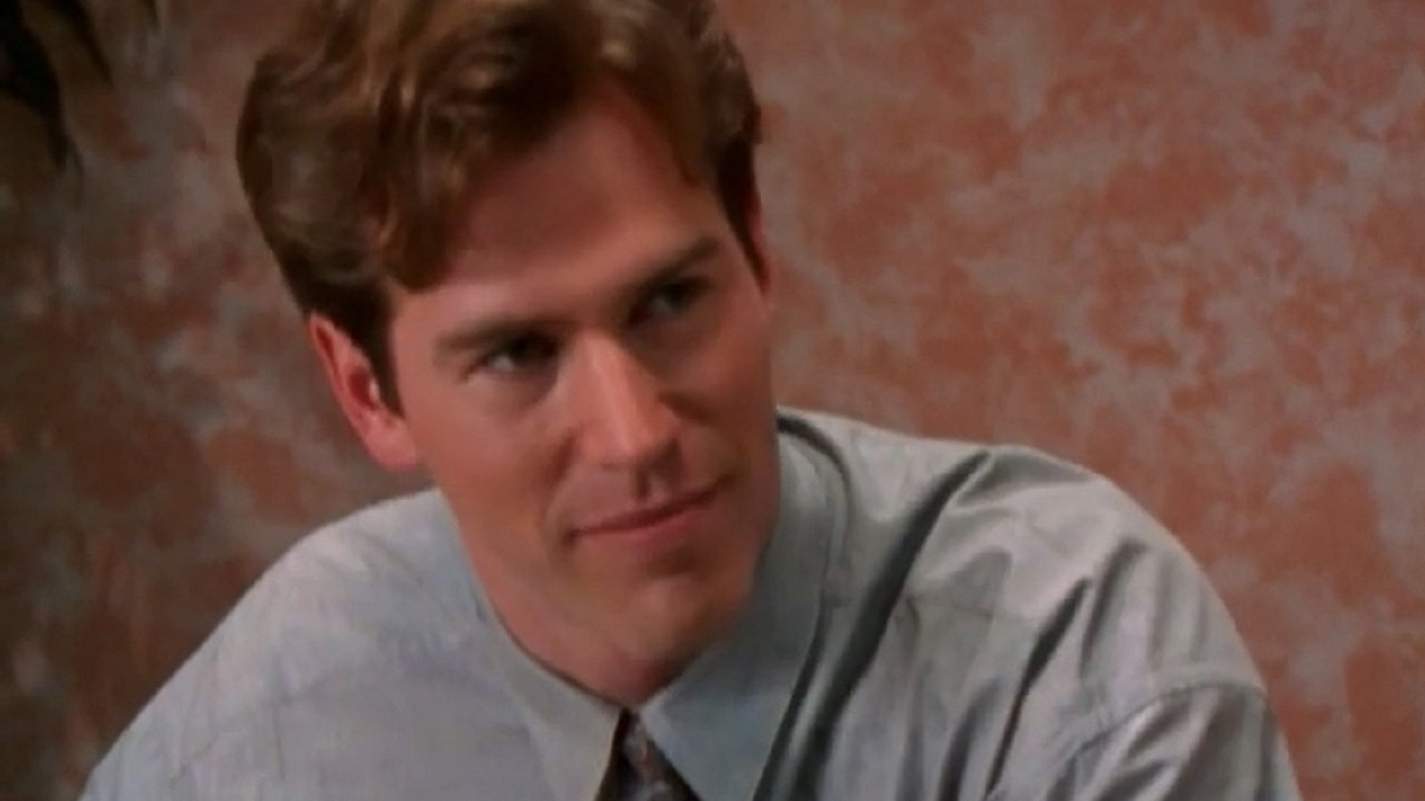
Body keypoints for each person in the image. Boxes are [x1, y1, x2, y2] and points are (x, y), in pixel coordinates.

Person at [81, 0, 1303, 798]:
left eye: (669, 300)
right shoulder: (272, 721)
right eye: (518, 353)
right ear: (368, 391)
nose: (636, 436)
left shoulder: (1080, 668)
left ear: (756, 248)